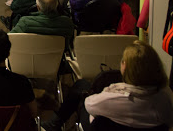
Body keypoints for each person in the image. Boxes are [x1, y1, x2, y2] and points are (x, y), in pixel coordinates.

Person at [43, 41, 173, 130]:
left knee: (81, 89)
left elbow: (89, 105)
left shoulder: (114, 99)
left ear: (126, 67)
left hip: (100, 123)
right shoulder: (165, 98)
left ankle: (54, 123)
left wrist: (105, 92)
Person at [10, 0, 74, 47]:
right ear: (57, 4)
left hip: (30, 57)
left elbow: (10, 38)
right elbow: (69, 43)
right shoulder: (67, 23)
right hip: (56, 58)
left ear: (38, 7)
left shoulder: (25, 23)